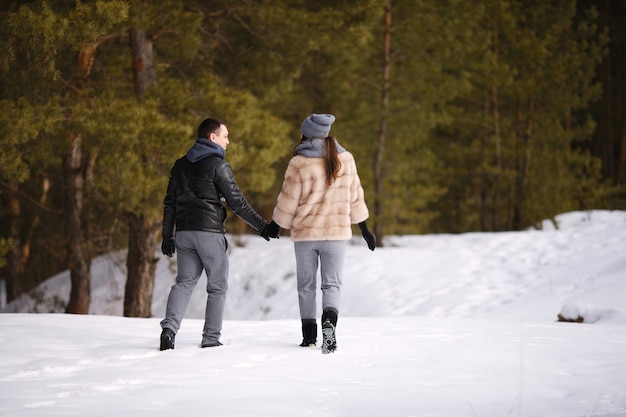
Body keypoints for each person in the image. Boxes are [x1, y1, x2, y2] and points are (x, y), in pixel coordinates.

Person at [159, 118, 279, 351]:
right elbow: (237, 203)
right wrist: (263, 226)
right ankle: (211, 339)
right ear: (212, 137)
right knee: (217, 286)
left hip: (183, 233)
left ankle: (169, 331)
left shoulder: (180, 165)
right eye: (225, 136)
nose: (228, 141)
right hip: (209, 234)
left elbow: (170, 202)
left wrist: (167, 235)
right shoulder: (218, 166)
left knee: (184, 283)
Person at [270, 113, 375, 354]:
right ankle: (329, 323)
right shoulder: (346, 159)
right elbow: (355, 195)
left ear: (305, 133)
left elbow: (288, 199)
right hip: (336, 236)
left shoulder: (299, 162)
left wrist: (276, 225)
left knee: (306, 286)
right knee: (332, 285)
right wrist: (364, 228)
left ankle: (309, 338)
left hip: (306, 235)